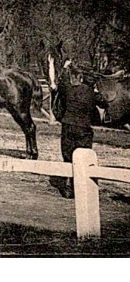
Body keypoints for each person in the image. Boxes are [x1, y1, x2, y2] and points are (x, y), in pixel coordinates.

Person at [50, 63, 98, 199]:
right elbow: (104, 102)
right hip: (84, 128)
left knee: (67, 156)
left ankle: (68, 188)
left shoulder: (68, 89)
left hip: (68, 125)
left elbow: (61, 82)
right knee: (83, 157)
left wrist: (65, 67)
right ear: (82, 78)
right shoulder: (91, 92)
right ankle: (81, 188)